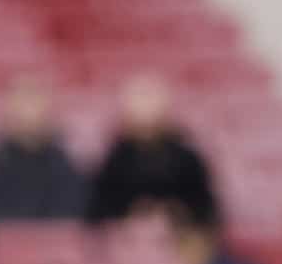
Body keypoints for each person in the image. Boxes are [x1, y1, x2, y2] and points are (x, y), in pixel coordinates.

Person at [86, 74, 218, 228]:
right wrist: (129, 219)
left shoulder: (188, 161)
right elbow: (96, 215)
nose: (146, 126)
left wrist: (176, 214)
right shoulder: (113, 163)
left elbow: (206, 213)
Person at [0, 77, 86, 227]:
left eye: (33, 105)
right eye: (23, 105)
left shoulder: (65, 167)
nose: (29, 113)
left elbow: (71, 217)